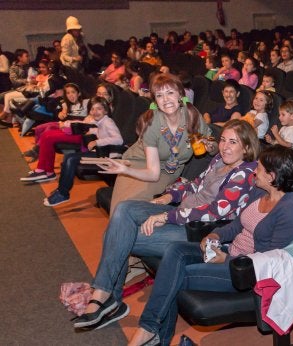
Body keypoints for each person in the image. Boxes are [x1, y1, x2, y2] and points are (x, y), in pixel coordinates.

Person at [72, 119, 261, 331]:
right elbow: (195, 185)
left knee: (118, 235)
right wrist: (168, 196)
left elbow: (215, 212)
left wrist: (166, 217)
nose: (225, 146)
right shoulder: (220, 159)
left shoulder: (245, 173)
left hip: (198, 231)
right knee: (124, 209)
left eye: (233, 142)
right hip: (181, 213)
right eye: (223, 140)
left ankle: (105, 297)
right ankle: (108, 297)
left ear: (246, 146)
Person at [127, 145, 293, 345]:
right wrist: (215, 235)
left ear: (271, 177)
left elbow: (267, 262)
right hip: (230, 251)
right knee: (175, 250)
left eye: (260, 169)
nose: (255, 171)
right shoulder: (259, 191)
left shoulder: (288, 212)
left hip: (243, 271)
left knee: (174, 276)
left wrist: (227, 260)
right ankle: (153, 334)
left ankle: (150, 332)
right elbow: (237, 224)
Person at [108, 73, 212, 214]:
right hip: (137, 165)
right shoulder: (152, 123)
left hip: (168, 171)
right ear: (155, 101)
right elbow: (152, 173)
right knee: (122, 207)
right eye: (159, 95)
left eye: (170, 92)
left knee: (131, 207)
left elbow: (212, 142)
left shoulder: (193, 116)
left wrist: (210, 146)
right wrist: (125, 170)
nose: (165, 99)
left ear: (180, 95)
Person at [43, 97, 123, 206]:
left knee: (71, 159)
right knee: (68, 158)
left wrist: (96, 142)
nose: (95, 112)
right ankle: (61, 190)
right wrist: (92, 131)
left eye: (99, 109)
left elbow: (119, 140)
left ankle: (63, 193)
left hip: (109, 156)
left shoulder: (108, 122)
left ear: (105, 111)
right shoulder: (100, 122)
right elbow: (88, 125)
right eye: (92, 109)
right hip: (102, 153)